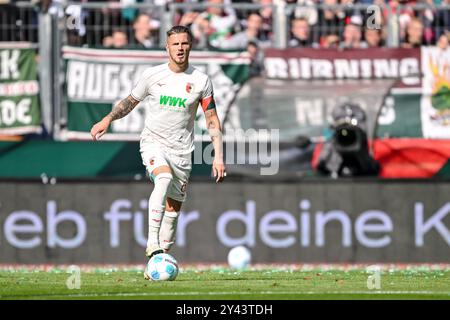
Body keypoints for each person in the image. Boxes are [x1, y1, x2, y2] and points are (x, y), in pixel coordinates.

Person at [90, 25, 226, 279]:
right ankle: (152, 243)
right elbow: (129, 102)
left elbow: (211, 119)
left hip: (183, 152)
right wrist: (107, 119)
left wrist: (218, 156)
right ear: (167, 48)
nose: (180, 48)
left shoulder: (200, 81)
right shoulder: (152, 76)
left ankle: (158, 260)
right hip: (154, 143)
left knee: (173, 212)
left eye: (184, 43)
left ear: (190, 46)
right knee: (162, 179)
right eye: (175, 44)